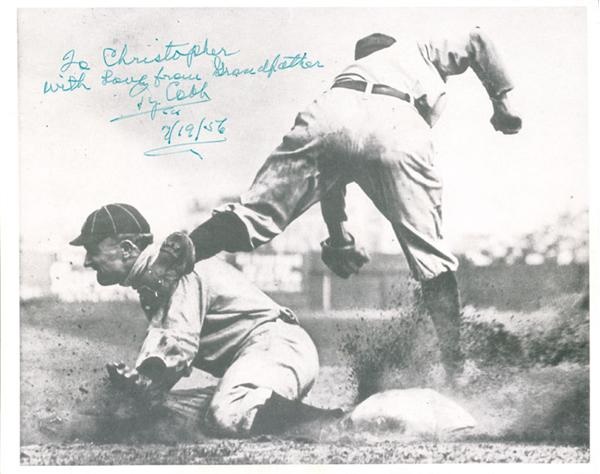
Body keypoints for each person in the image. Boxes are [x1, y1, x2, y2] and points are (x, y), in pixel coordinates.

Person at [136, 27, 523, 384]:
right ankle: (456, 369)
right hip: (397, 121)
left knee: (254, 216)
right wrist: (501, 101)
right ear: (389, 49)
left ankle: (186, 249)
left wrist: (339, 237)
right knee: (432, 258)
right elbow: (477, 39)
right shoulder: (414, 50)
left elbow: (330, 182)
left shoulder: (345, 80)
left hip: (328, 116)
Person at [69, 203, 343, 437]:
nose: (87, 261)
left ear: (127, 248)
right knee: (166, 414)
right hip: (261, 357)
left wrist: (144, 382)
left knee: (226, 413)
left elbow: (177, 346)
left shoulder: (174, 270)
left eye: (93, 250)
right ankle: (273, 404)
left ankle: (339, 425)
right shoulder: (155, 277)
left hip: (275, 347)